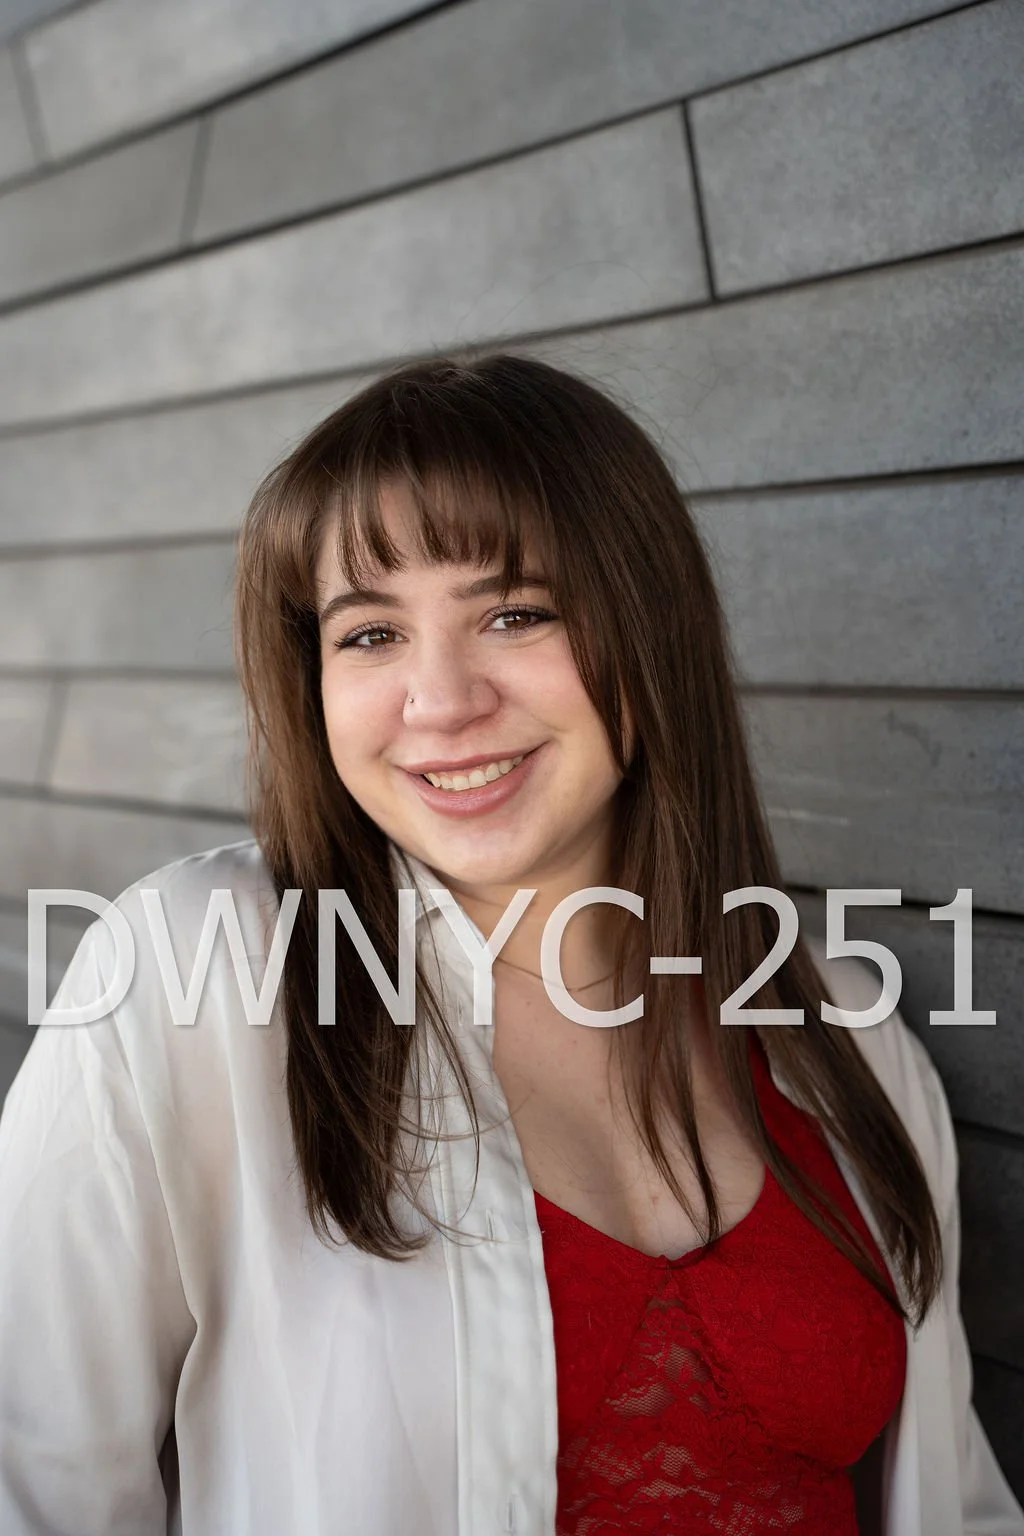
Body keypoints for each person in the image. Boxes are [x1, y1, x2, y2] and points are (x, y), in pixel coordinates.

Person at [0, 354, 1020, 1536]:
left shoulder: (840, 1023)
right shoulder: (198, 973)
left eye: (514, 614)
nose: (440, 701)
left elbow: (955, 1503)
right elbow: (32, 1483)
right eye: (369, 635)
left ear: (648, 627)